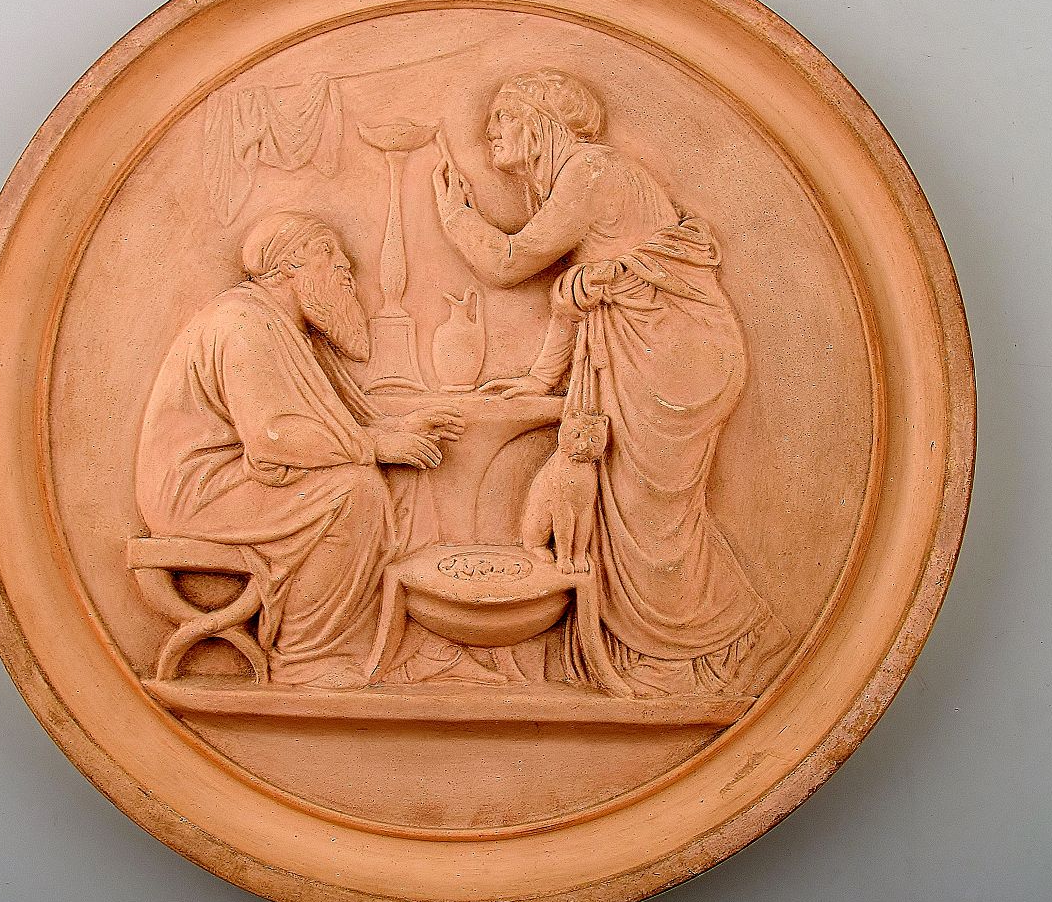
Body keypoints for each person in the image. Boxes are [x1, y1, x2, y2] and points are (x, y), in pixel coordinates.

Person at [432, 70, 794, 697]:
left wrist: (456, 215)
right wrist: (538, 379)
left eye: (503, 118)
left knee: (649, 519)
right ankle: (670, 651)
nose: (490, 132)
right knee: (632, 512)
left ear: (541, 123)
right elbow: (579, 296)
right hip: (653, 352)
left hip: (671, 360)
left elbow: (508, 264)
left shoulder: (592, 172)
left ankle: (712, 648)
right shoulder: (588, 180)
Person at [135, 211, 463, 688]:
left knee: (402, 480)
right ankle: (304, 656)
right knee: (354, 493)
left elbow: (326, 423)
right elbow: (274, 436)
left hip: (240, 476)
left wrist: (397, 428)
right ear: (289, 266)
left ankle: (406, 641)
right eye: (329, 255)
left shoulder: (287, 329)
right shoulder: (242, 323)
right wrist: (375, 444)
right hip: (199, 490)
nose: (346, 268)